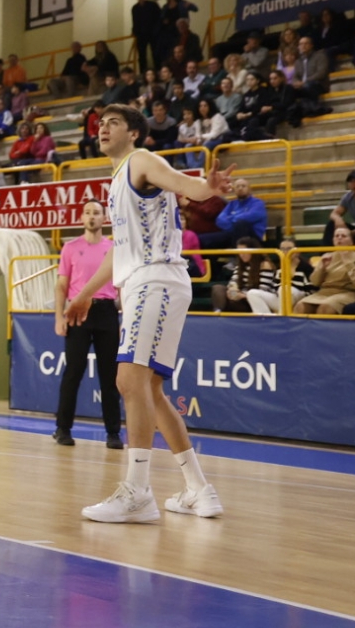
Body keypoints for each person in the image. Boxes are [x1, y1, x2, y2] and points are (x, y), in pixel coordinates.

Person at [65, 104, 233, 523]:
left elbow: (182, 184)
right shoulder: (116, 180)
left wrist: (205, 187)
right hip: (156, 280)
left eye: (114, 123)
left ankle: (138, 492)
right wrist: (85, 293)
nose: (103, 128)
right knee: (151, 390)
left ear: (135, 133)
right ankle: (199, 489)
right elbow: (120, 250)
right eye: (100, 124)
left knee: (128, 379)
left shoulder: (140, 160)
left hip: (155, 279)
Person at [52, 201, 122, 450]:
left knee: (110, 376)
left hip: (106, 311)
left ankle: (113, 432)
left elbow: (121, 282)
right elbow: (62, 285)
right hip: (78, 311)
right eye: (88, 213)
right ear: (82, 218)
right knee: (73, 371)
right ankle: (62, 428)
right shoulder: (70, 248)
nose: (92, 217)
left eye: (97, 213)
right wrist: (59, 317)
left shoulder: (114, 248)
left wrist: (122, 306)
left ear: (104, 218)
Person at [295, 228, 355, 314]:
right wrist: (322, 268)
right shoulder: (327, 256)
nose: (339, 238)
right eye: (336, 236)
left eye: (343, 236)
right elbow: (315, 282)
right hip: (324, 292)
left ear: (351, 241)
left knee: (325, 308)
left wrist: (348, 262)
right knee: (300, 306)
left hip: (348, 292)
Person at [197, 178, 266, 251]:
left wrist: (231, 218)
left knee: (241, 224)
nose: (240, 188)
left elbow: (249, 217)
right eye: (237, 186)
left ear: (249, 189)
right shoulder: (232, 204)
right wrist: (234, 223)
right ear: (234, 190)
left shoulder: (258, 203)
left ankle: (236, 257)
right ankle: (206, 261)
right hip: (232, 233)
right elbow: (220, 220)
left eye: (243, 186)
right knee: (201, 239)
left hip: (252, 236)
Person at [131, 0, 163, 71]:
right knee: (142, 55)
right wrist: (134, 31)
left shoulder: (152, 5)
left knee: (156, 52)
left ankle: (158, 69)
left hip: (153, 33)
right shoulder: (135, 8)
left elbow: (159, 17)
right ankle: (143, 72)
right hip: (141, 34)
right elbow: (135, 21)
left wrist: (157, 30)